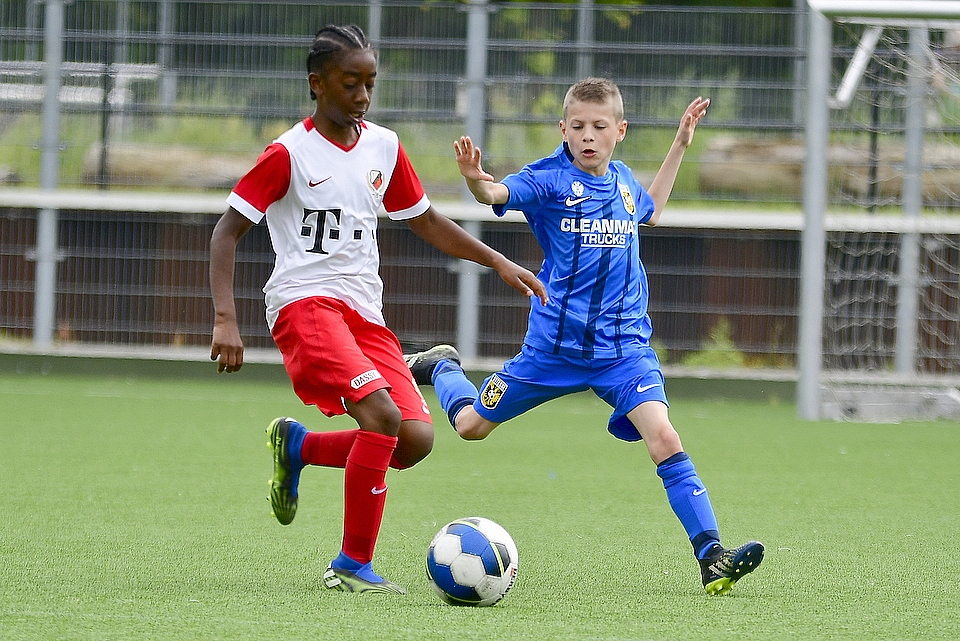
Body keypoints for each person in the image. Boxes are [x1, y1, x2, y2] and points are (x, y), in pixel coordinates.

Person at [209, 24, 547, 595]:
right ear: (317, 83)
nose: (363, 96)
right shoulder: (287, 154)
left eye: (370, 83)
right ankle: (350, 565)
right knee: (382, 418)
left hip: (363, 314)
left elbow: (425, 220)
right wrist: (225, 318)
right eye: (350, 84)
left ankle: (300, 446)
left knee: (413, 439)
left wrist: (498, 261)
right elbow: (226, 231)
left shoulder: (383, 147)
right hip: (305, 305)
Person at [406, 77, 763, 595]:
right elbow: (498, 193)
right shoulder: (549, 180)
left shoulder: (623, 181)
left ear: (620, 130)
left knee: (664, 437)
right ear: (563, 129)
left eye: (599, 126)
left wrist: (681, 144)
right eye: (578, 126)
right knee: (470, 427)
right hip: (553, 351)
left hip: (624, 352)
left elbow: (652, 209)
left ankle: (712, 557)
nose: (588, 136)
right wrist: (475, 181)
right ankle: (443, 366)